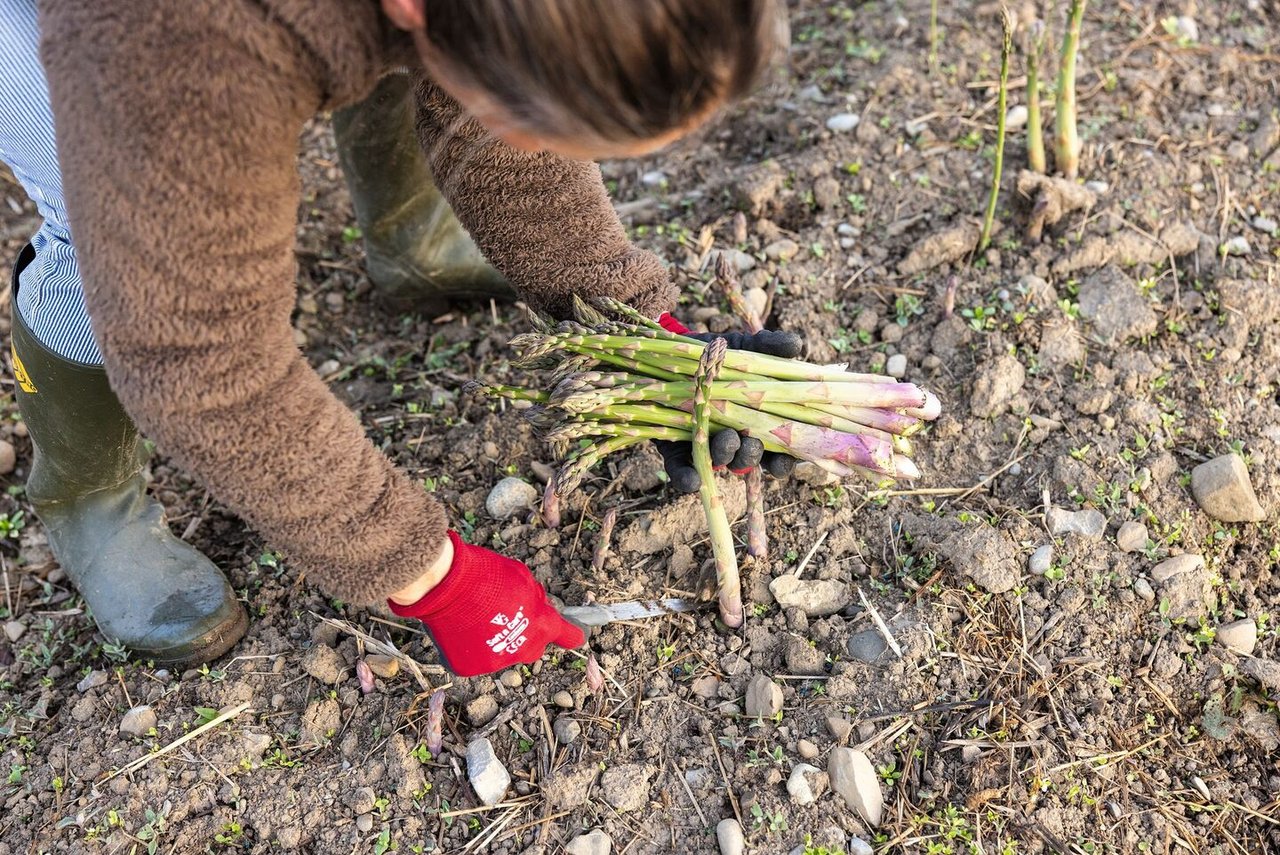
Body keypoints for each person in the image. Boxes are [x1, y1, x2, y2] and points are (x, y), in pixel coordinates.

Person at [0, 0, 796, 677]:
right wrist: (431, 578)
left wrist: (641, 339)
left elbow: (492, 65)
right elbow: (199, 361)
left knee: (439, 65)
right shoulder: (179, 57)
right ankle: (84, 496)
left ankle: (410, 239)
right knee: (105, 237)